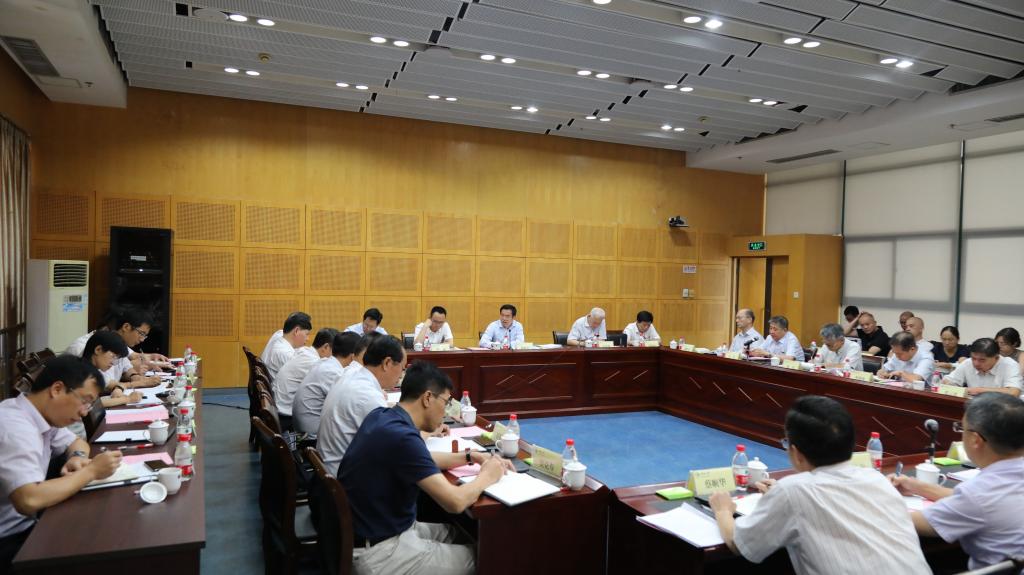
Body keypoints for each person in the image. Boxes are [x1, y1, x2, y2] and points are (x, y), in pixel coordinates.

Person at [708, 395, 931, 575]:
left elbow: (738, 544)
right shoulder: (877, 479)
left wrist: (723, 510)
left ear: (796, 452)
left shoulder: (792, 491)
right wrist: (780, 494)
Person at [338, 362, 511, 575]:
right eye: (446, 402)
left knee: (463, 533)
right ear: (428, 398)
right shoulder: (403, 437)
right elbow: (455, 502)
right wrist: (487, 476)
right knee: (491, 557)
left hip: (376, 529)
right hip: (379, 552)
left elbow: (421, 459)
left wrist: (469, 456)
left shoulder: (382, 416)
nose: (445, 411)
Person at [0, 356, 122, 570]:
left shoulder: (40, 414)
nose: (84, 412)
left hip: (28, 523)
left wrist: (78, 457)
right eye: (84, 401)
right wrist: (90, 471)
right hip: (10, 539)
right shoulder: (14, 427)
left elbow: (77, 443)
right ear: (57, 389)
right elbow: (28, 499)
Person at [891, 393, 1024, 571]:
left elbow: (907, 521)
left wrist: (876, 493)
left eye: (962, 428)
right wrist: (917, 487)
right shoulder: (988, 490)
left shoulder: (978, 494)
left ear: (975, 440)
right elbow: (986, 502)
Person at [317, 335, 408, 472]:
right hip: (344, 475)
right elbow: (397, 448)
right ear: (387, 363)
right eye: (402, 367)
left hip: (331, 466)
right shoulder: (367, 395)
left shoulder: (353, 375)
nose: (401, 375)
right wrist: (425, 431)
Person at [65, 307, 162, 388]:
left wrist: (136, 377)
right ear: (125, 327)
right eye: (141, 333)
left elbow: (127, 367)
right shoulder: (81, 348)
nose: (142, 339)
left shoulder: (117, 343)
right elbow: (100, 385)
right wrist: (140, 383)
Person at [292, 331, 361, 435]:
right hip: (310, 435)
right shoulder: (332, 372)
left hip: (304, 426)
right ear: (353, 357)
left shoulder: (326, 363)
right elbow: (350, 403)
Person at [272, 328, 337, 425]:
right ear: (326, 347)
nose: (335, 357)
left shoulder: (304, 351)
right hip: (286, 416)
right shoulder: (314, 362)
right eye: (335, 352)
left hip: (279, 406)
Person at [79, 331, 143, 408]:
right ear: (98, 350)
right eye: (113, 357)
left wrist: (118, 389)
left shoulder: (96, 370)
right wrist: (128, 399)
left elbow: (118, 384)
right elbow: (92, 404)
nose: (113, 363)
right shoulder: (81, 371)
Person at [942, 338, 1023, 397]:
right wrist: (949, 385)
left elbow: (1014, 392)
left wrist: (979, 390)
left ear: (996, 358)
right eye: (973, 358)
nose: (976, 363)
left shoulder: (1009, 365)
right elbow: (947, 381)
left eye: (982, 360)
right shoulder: (968, 363)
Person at [260, 311, 312, 380]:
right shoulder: (286, 355)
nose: (308, 339)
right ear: (296, 331)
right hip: (276, 385)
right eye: (307, 334)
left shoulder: (279, 334)